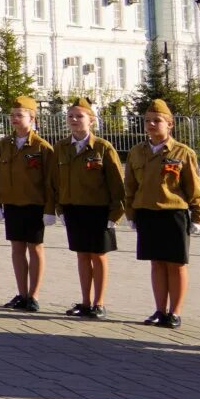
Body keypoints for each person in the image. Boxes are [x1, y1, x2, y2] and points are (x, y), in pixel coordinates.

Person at [124, 99, 200, 329]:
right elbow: (130, 186)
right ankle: (160, 310)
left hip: (173, 214)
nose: (151, 125)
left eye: (157, 121)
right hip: (147, 214)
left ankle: (175, 312)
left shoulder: (182, 153)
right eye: (147, 121)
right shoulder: (137, 152)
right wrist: (130, 213)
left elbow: (194, 187)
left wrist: (198, 216)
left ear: (170, 124)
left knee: (176, 264)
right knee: (157, 264)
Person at [53, 96, 124, 319]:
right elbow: (55, 181)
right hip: (74, 209)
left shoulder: (102, 148)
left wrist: (116, 214)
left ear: (91, 120)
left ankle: (99, 302)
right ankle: (85, 301)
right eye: (71, 116)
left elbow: (116, 183)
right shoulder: (62, 147)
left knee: (98, 256)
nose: (74, 120)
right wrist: (60, 208)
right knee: (82, 256)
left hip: (99, 210)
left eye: (79, 116)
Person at [0, 95, 55, 313]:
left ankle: (34, 295)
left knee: (35, 248)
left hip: (34, 204)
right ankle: (21, 293)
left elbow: (50, 181)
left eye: (20, 115)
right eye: (13, 115)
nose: (15, 119)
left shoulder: (42, 147)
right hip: (12, 203)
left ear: (32, 118)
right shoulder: (4, 145)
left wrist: (50, 209)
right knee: (17, 248)